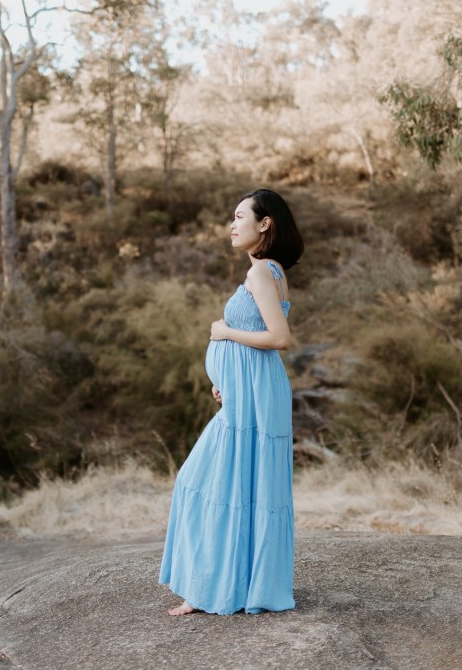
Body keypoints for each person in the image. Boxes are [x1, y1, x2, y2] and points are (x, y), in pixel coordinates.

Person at [159, 188, 304, 616]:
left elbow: (278, 338)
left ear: (265, 223)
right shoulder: (269, 271)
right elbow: (259, 342)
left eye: (241, 216)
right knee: (238, 486)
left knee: (205, 481)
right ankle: (226, 586)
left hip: (257, 398)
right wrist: (228, 381)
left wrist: (224, 332)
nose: (232, 224)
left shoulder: (262, 272)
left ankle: (210, 589)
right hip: (251, 394)